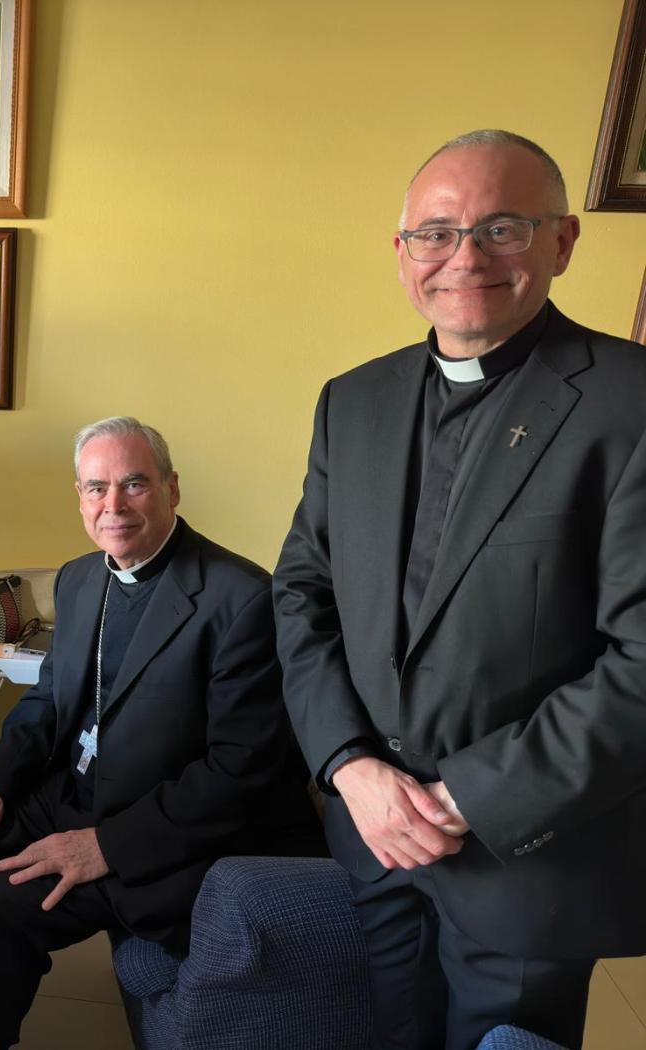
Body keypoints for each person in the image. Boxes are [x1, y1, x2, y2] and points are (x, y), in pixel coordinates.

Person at [273, 129, 646, 1050]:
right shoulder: (350, 402)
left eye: (502, 228)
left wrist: (463, 798)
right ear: (402, 255)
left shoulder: (631, 405)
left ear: (561, 243)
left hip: (527, 854)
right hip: (371, 829)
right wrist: (351, 768)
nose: (465, 257)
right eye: (435, 233)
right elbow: (301, 593)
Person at [0, 416, 322, 1049]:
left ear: (172, 489)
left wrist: (107, 846)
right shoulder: (78, 579)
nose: (114, 506)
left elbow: (240, 772)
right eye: (96, 488)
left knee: (5, 907)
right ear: (79, 496)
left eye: (135, 485)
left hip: (161, 823)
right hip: (74, 790)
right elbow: (47, 702)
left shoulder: (239, 599)